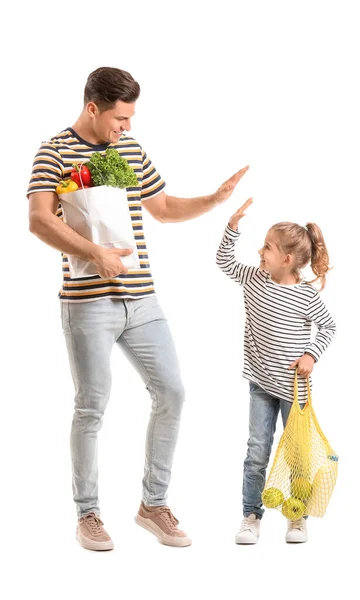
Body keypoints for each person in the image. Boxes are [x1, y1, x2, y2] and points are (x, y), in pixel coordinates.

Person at [27, 66, 248, 551]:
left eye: (130, 118)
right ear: (92, 107)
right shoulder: (55, 151)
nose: (126, 127)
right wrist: (95, 254)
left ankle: (153, 505)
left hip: (143, 298)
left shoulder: (128, 151)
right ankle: (88, 515)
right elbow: (39, 221)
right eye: (120, 118)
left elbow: (163, 208)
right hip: (88, 304)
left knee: (172, 392)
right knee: (91, 407)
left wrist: (213, 199)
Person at [216, 198, 336, 544]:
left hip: (294, 390)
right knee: (257, 451)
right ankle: (251, 515)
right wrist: (232, 228)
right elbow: (224, 261)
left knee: (297, 455)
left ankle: (298, 517)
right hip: (260, 384)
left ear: (286, 259)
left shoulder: (305, 296)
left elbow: (328, 327)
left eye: (267, 247)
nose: (260, 251)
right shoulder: (255, 278)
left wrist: (311, 355)